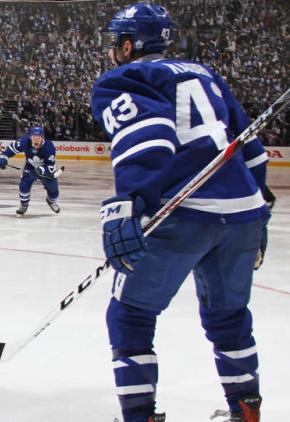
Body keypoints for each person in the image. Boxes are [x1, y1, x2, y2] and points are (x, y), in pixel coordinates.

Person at [91, 4, 270, 422]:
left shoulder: (124, 77)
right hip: (243, 213)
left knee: (131, 315)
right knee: (229, 317)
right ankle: (245, 411)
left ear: (129, 43)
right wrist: (259, 209)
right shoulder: (206, 75)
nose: (112, 49)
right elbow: (251, 148)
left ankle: (140, 416)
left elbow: (149, 138)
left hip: (183, 212)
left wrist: (130, 203)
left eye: (116, 41)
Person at [0, 126, 60, 216]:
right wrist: (3, 157)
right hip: (30, 167)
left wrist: (41, 170)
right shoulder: (24, 141)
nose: (36, 139)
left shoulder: (49, 147)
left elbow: (51, 167)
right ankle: (24, 205)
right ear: (30, 137)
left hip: (45, 170)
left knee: (54, 191)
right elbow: (10, 150)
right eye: (34, 137)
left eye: (38, 137)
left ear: (43, 137)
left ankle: (51, 201)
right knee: (24, 185)